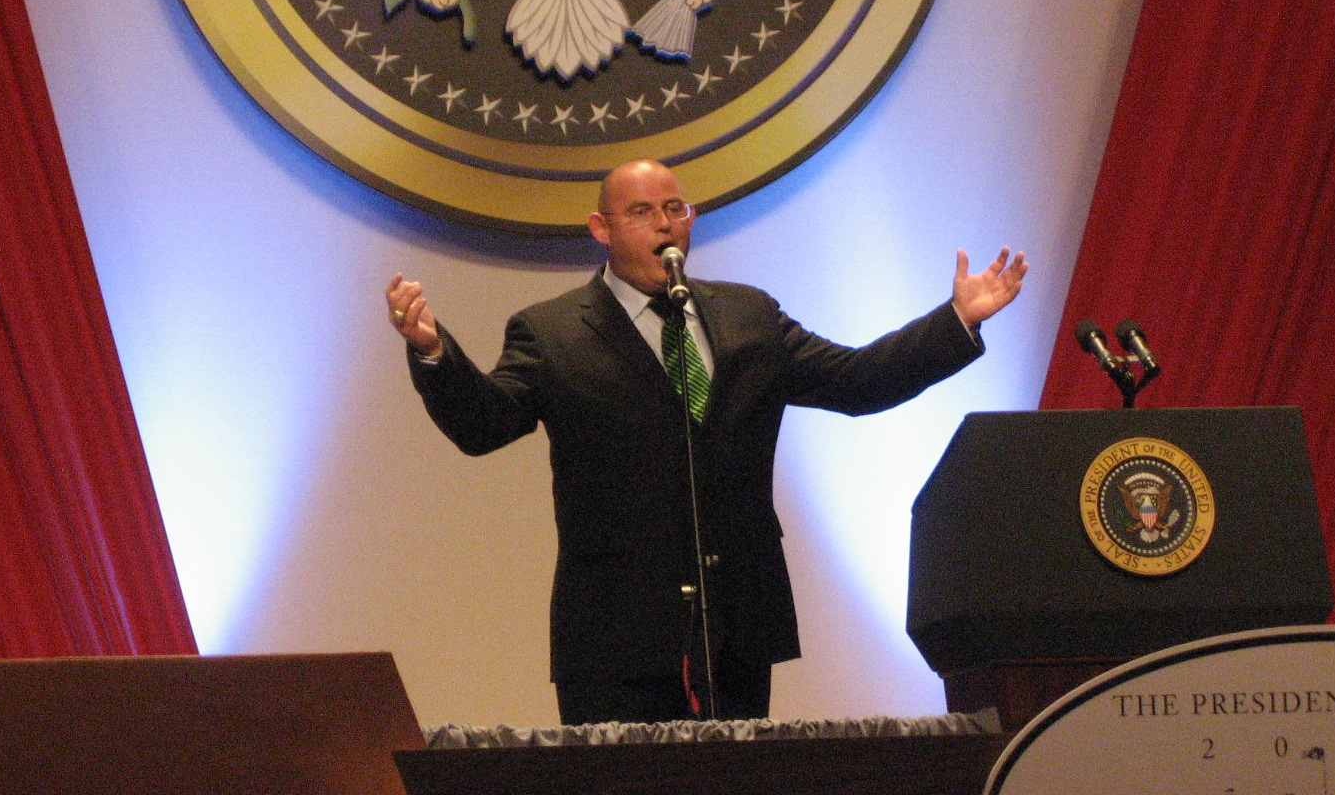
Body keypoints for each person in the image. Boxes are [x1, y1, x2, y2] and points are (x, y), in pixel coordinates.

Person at [386, 159, 1026, 725]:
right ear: (602, 229)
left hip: (737, 622)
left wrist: (956, 321)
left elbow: (857, 381)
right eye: (642, 212)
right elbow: (485, 424)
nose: (665, 224)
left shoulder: (749, 315)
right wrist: (436, 354)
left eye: (676, 208)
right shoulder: (553, 332)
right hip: (616, 636)